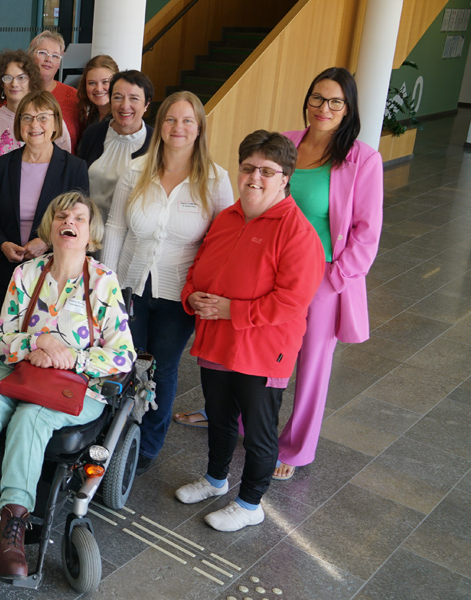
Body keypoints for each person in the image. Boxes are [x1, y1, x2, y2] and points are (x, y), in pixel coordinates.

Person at [0, 192, 135, 578]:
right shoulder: (27, 274)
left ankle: (13, 526)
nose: (68, 221)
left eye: (78, 217)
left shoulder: (103, 281)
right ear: (50, 227)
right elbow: (0, 337)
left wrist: (71, 357)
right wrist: (38, 343)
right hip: (20, 368)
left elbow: (123, 355)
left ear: (90, 233)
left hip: (77, 383)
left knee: (30, 419)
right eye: (60, 215)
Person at [174, 130, 324, 532]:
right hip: (218, 341)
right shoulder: (227, 216)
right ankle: (215, 479)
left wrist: (229, 309)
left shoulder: (298, 232)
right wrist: (192, 297)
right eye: (248, 168)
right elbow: (199, 265)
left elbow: (292, 301)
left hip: (263, 349)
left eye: (267, 171)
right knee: (220, 418)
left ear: (285, 178)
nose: (255, 178)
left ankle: (250, 502)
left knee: (258, 432)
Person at [100, 91, 233, 474]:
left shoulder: (215, 179)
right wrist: (105, 286)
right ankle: (114, 434)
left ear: (199, 128)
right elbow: (116, 227)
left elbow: (224, 241)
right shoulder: (136, 170)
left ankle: (149, 445)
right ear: (162, 126)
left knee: (163, 368)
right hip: (130, 287)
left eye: (188, 120)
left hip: (180, 296)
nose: (178, 127)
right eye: (172, 120)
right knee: (124, 363)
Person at [273, 67, 383, 480]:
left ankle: (295, 449)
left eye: (336, 101)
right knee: (264, 352)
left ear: (348, 109)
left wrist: (333, 280)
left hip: (323, 277)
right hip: (274, 268)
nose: (324, 108)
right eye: (318, 98)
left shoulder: (362, 159)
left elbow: (366, 233)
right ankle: (251, 426)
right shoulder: (285, 144)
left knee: (312, 365)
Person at [0, 90, 89, 316]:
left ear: (56, 123)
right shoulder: (1, 165)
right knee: (2, 337)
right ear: (19, 125)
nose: (34, 124)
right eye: (26, 118)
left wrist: (46, 241)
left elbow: (79, 223)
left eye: (42, 117)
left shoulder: (75, 167)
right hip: (6, 270)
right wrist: (2, 244)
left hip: (55, 269)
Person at [77, 70, 153, 215]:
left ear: (146, 104)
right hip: (89, 229)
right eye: (118, 97)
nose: (125, 106)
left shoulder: (156, 142)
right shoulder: (93, 133)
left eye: (134, 98)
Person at [0, 32, 79, 148]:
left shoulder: (73, 97)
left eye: (55, 56)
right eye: (42, 53)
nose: (48, 59)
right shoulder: (8, 93)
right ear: (29, 56)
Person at [0, 50, 73, 156]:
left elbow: (65, 162)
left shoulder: (51, 120)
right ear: (1, 84)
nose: (14, 84)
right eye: (8, 78)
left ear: (31, 81)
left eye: (21, 78)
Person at [75, 54, 119, 142]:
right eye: (92, 83)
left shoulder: (119, 120)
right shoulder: (93, 115)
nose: (98, 89)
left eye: (105, 82)